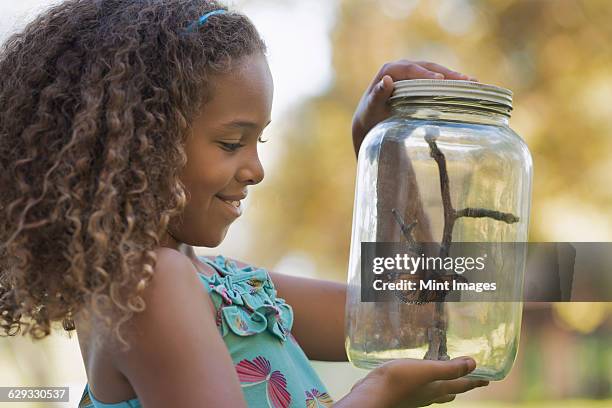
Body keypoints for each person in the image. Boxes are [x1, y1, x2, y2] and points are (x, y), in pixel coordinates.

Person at [0, 1, 487, 406]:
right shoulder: (149, 286)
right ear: (141, 144)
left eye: (260, 142)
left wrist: (384, 150)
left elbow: (413, 314)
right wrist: (374, 395)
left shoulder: (223, 284)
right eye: (232, 143)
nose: (256, 169)